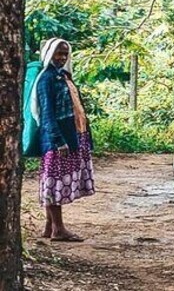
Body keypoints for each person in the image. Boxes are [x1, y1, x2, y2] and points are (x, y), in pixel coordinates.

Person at [32, 38, 95, 242]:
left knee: (54, 181)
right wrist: (58, 140)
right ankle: (58, 229)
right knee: (53, 182)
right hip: (56, 139)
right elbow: (47, 114)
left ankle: (50, 226)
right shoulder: (46, 79)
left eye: (65, 54)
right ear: (49, 54)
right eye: (58, 53)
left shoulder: (64, 76)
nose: (62, 58)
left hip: (72, 133)